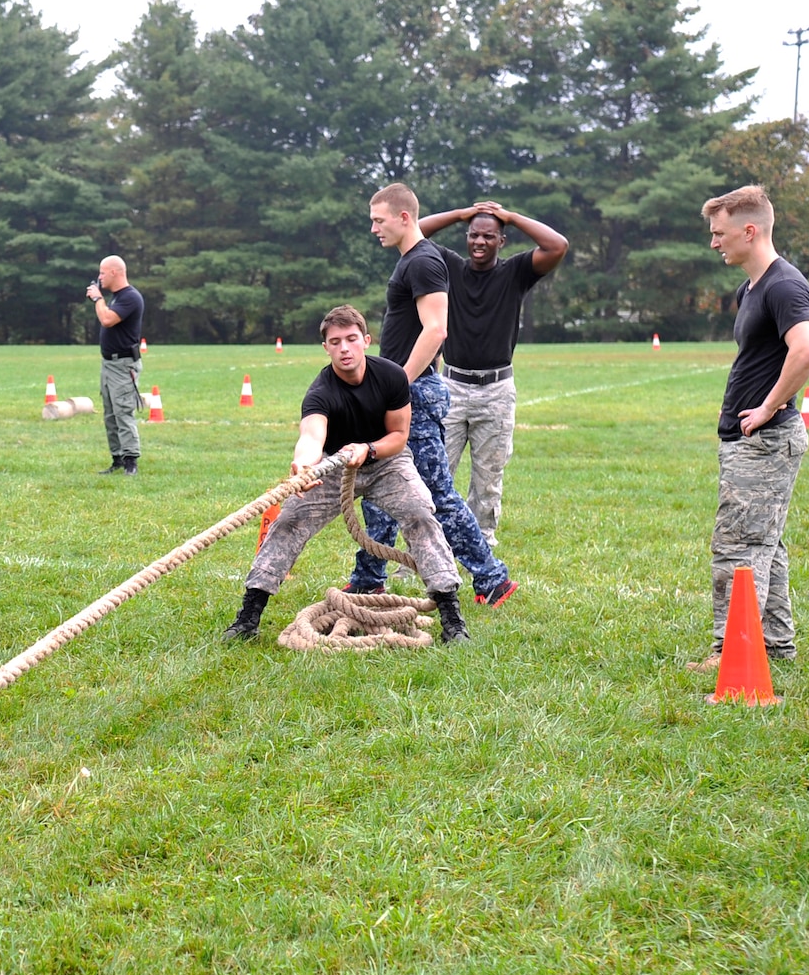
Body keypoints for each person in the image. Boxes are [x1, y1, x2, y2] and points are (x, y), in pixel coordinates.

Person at [223, 306, 469, 644]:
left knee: (420, 513)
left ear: (366, 341)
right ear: (325, 348)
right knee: (289, 523)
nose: (344, 348)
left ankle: (451, 617)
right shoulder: (320, 392)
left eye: (351, 339)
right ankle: (248, 617)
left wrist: (367, 449)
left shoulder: (392, 376)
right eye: (335, 342)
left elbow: (398, 436)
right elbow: (311, 436)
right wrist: (304, 466)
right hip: (334, 465)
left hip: (386, 462)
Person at [346, 183, 517, 607]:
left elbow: (436, 329)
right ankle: (369, 576)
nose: (373, 229)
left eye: (378, 220)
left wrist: (398, 382)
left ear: (403, 218)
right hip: (408, 389)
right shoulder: (415, 257)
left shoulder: (422, 262)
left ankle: (492, 579)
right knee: (383, 483)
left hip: (414, 392)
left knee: (437, 493)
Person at [687, 185, 809, 674]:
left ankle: (732, 651)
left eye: (719, 233)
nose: (714, 242)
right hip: (754, 441)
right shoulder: (752, 287)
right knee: (766, 542)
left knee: (739, 546)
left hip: (765, 440)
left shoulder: (783, 285)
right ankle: (776, 644)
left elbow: (807, 348)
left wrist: (767, 406)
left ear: (750, 230)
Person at [421, 201, 568, 546]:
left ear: (501, 241)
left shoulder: (515, 272)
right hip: (451, 388)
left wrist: (512, 217)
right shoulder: (450, 267)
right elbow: (415, 232)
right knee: (432, 474)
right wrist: (459, 214)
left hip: (496, 391)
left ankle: (481, 550)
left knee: (487, 481)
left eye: (489, 236)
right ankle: (425, 552)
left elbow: (557, 246)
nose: (480, 242)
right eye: (474, 235)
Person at [86, 255, 145, 475]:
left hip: (123, 365)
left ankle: (131, 461)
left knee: (123, 412)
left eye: (102, 272)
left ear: (114, 272)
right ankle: (117, 458)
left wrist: (97, 299)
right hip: (109, 364)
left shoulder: (130, 297)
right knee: (110, 414)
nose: (99, 277)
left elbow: (107, 320)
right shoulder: (117, 297)